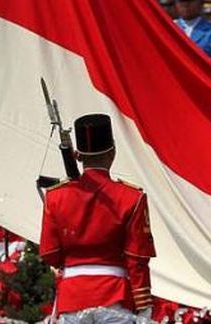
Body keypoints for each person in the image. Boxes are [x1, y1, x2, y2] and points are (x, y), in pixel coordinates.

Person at [40, 113, 156, 322]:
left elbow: (51, 254)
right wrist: (144, 306)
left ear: (77, 155)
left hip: (72, 299)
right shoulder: (132, 197)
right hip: (115, 297)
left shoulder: (55, 196)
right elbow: (137, 259)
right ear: (112, 152)